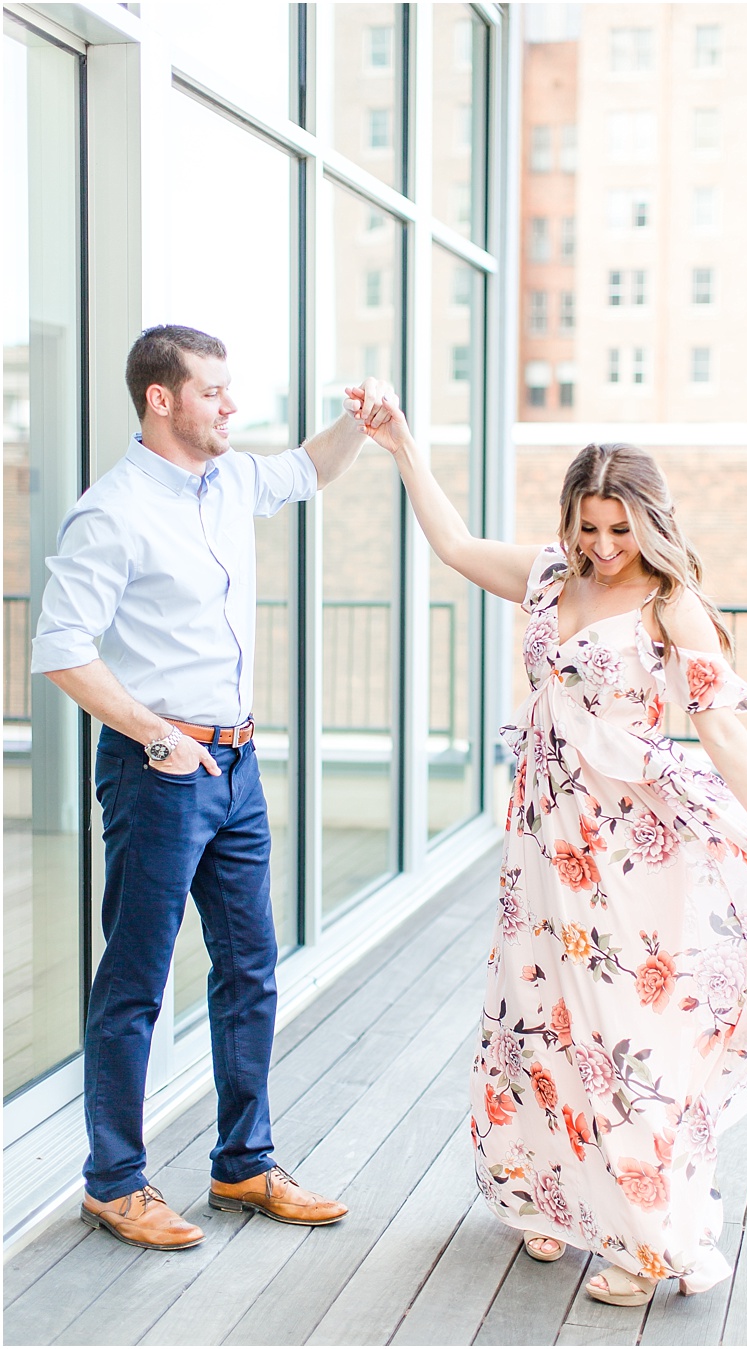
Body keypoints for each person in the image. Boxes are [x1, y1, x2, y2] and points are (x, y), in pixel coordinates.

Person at [354, 406, 747, 1305]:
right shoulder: (551, 579)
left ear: (652, 520)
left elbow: (724, 734)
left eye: (620, 528)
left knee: (621, 1036)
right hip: (543, 847)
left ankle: (647, 1236)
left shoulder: (674, 606)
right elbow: (455, 544)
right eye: (588, 527)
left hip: (630, 852)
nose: (603, 545)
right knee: (540, 1016)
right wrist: (402, 448)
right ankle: (554, 1198)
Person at [31, 324, 387, 1250]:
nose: (232, 405)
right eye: (215, 392)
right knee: (137, 982)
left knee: (249, 967)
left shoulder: (227, 481)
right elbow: (63, 648)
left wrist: (360, 422)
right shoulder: (110, 512)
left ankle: (244, 1161)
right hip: (160, 769)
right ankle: (114, 1180)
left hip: (236, 764)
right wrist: (155, 736)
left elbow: (307, 469)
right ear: (162, 398)